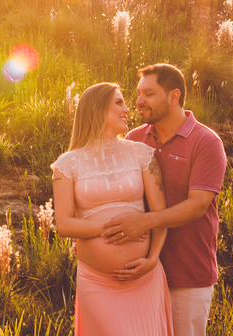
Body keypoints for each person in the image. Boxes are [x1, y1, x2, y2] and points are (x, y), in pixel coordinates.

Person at [102, 64, 228, 336]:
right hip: (138, 270)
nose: (138, 102)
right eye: (138, 94)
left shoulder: (206, 142)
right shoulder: (134, 139)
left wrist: (144, 222)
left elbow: (197, 205)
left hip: (187, 275)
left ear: (174, 96)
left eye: (148, 93)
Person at [51, 82, 175, 336]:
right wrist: (116, 228)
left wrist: (151, 261)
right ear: (97, 109)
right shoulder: (67, 164)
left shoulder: (142, 154)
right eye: (119, 103)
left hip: (145, 278)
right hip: (97, 284)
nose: (127, 109)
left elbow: (159, 216)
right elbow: (64, 224)